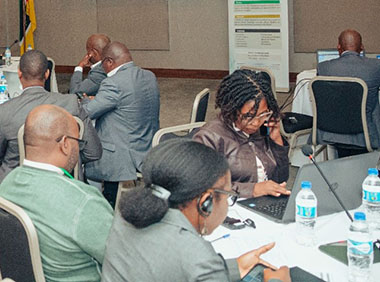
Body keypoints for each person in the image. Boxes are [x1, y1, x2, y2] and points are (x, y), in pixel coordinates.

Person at [0, 50, 101, 234]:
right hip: (63, 180)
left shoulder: (3, 111)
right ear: (47, 74)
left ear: (19, 74)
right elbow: (94, 153)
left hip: (15, 183)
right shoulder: (71, 103)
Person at [101, 139, 290, 282]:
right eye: (227, 194)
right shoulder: (196, 254)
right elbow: (191, 265)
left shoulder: (126, 216)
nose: (227, 202)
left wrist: (234, 267)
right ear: (206, 201)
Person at [0, 105, 113, 281]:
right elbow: (125, 260)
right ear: (65, 144)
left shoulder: (8, 183)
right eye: (78, 142)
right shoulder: (85, 202)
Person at [82, 41, 160, 206]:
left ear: (109, 61)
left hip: (123, 155)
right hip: (147, 146)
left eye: (102, 63)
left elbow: (88, 112)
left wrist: (84, 101)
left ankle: (101, 204)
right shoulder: (149, 76)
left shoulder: (113, 83)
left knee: (82, 150)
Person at [193, 69, 290, 199]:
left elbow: (281, 179)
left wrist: (277, 141)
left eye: (263, 114)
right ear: (232, 109)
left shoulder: (264, 128)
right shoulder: (209, 137)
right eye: (248, 116)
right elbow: (202, 186)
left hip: (264, 202)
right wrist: (253, 189)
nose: (256, 123)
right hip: (229, 207)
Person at [317, 28, 380, 150]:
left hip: (331, 133)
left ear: (338, 47)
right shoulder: (376, 66)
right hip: (365, 132)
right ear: (361, 47)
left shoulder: (323, 67)